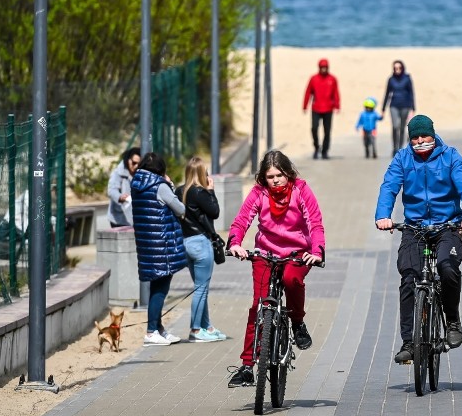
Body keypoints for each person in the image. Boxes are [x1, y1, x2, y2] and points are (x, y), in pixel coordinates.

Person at [374, 115, 462, 364]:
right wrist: (383, 216)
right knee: (409, 277)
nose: (420, 141)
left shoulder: (450, 156)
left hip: (448, 226)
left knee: (447, 267)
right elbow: (389, 186)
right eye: (415, 137)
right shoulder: (403, 158)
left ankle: (452, 320)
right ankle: (409, 342)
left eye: (424, 136)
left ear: (433, 134)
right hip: (414, 227)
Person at [226, 151, 326, 387]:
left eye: (279, 175)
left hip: (296, 255)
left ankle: (298, 323)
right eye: (270, 176)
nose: (276, 180)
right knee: (257, 306)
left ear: (288, 173)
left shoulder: (301, 189)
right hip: (265, 254)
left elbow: (315, 222)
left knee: (292, 280)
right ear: (263, 177)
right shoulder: (259, 193)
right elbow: (242, 220)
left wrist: (317, 251)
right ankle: (248, 366)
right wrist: (235, 244)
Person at [130, 152, 187, 346]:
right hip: (162, 246)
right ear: (161, 170)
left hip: (147, 244)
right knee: (160, 289)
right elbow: (180, 209)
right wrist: (170, 185)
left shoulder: (137, 184)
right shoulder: (160, 186)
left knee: (157, 286)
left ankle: (159, 328)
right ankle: (151, 331)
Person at [175, 156, 227, 343]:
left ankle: (207, 326)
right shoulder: (200, 192)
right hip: (201, 242)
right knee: (201, 289)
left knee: (200, 288)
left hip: (186, 242)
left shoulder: (179, 191)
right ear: (201, 173)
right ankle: (196, 330)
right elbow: (215, 212)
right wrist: (211, 191)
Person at [302, 58, 340, 160]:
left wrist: (337, 105)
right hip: (316, 108)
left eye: (325, 67)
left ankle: (325, 151)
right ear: (319, 67)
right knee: (314, 128)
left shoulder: (332, 79)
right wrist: (305, 105)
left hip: (328, 108)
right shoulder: (313, 78)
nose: (324, 69)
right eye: (322, 67)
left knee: (327, 131)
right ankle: (316, 147)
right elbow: (308, 92)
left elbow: (336, 92)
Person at [381, 60, 415, 157]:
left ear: (402, 68)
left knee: (402, 127)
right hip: (394, 105)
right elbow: (387, 94)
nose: (397, 70)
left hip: (405, 105)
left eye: (399, 68)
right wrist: (383, 109)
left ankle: (400, 148)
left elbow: (411, 93)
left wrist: (413, 108)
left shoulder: (407, 79)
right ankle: (394, 148)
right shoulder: (391, 79)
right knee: (395, 126)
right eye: (395, 68)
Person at [107, 147, 141, 228]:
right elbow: (112, 190)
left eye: (138, 164)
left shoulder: (141, 173)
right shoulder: (118, 172)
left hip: (136, 219)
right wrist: (120, 197)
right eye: (134, 163)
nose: (136, 166)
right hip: (119, 219)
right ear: (128, 160)